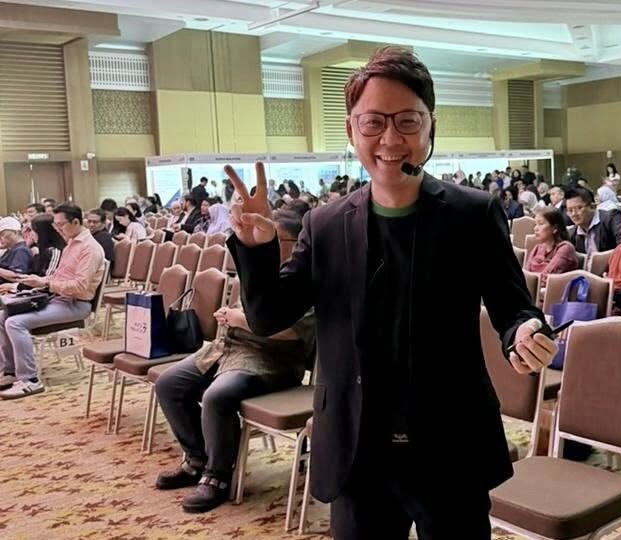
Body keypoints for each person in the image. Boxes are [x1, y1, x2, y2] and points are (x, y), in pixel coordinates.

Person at [225, 46, 556, 539]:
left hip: (450, 442)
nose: (390, 139)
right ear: (351, 130)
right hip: (358, 447)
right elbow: (269, 316)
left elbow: (513, 306)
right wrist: (256, 249)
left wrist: (525, 331)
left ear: (430, 126)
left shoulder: (472, 213)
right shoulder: (326, 224)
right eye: (373, 122)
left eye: (407, 121)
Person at [154, 214, 316, 513]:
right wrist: (231, 316)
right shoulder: (260, 270)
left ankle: (217, 475)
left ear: (295, 244)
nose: (259, 241)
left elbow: (291, 332)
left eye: (272, 237)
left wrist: (237, 318)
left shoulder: (306, 281)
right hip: (227, 348)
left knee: (218, 396)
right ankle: (197, 458)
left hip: (271, 360)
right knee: (168, 384)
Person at [0, 205, 105, 399]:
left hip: (75, 304)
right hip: (58, 298)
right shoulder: (71, 244)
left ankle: (30, 380)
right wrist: (40, 281)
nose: (57, 229)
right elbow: (58, 278)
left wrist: (46, 283)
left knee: (15, 323)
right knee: (3, 315)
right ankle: (10, 371)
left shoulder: (89, 249)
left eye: (60, 225)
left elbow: (79, 287)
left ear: (75, 222)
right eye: (55, 225)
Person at [524, 207, 578, 287]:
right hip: (532, 290)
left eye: (540, 224)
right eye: (535, 224)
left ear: (554, 228)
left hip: (553, 293)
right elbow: (525, 275)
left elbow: (546, 279)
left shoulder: (566, 248)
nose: (535, 228)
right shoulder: (537, 248)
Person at [565, 186, 621, 255]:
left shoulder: (611, 218)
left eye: (579, 208)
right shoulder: (573, 234)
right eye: (570, 210)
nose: (574, 214)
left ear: (592, 206)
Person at [28, 214, 65, 278]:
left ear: (42, 232)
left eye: (33, 230)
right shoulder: (40, 249)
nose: (30, 233)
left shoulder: (55, 251)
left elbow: (49, 278)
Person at [0, 217, 33, 284]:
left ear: (16, 232)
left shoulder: (21, 250)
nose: (1, 238)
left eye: (3, 234)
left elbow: (18, 276)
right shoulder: (12, 248)